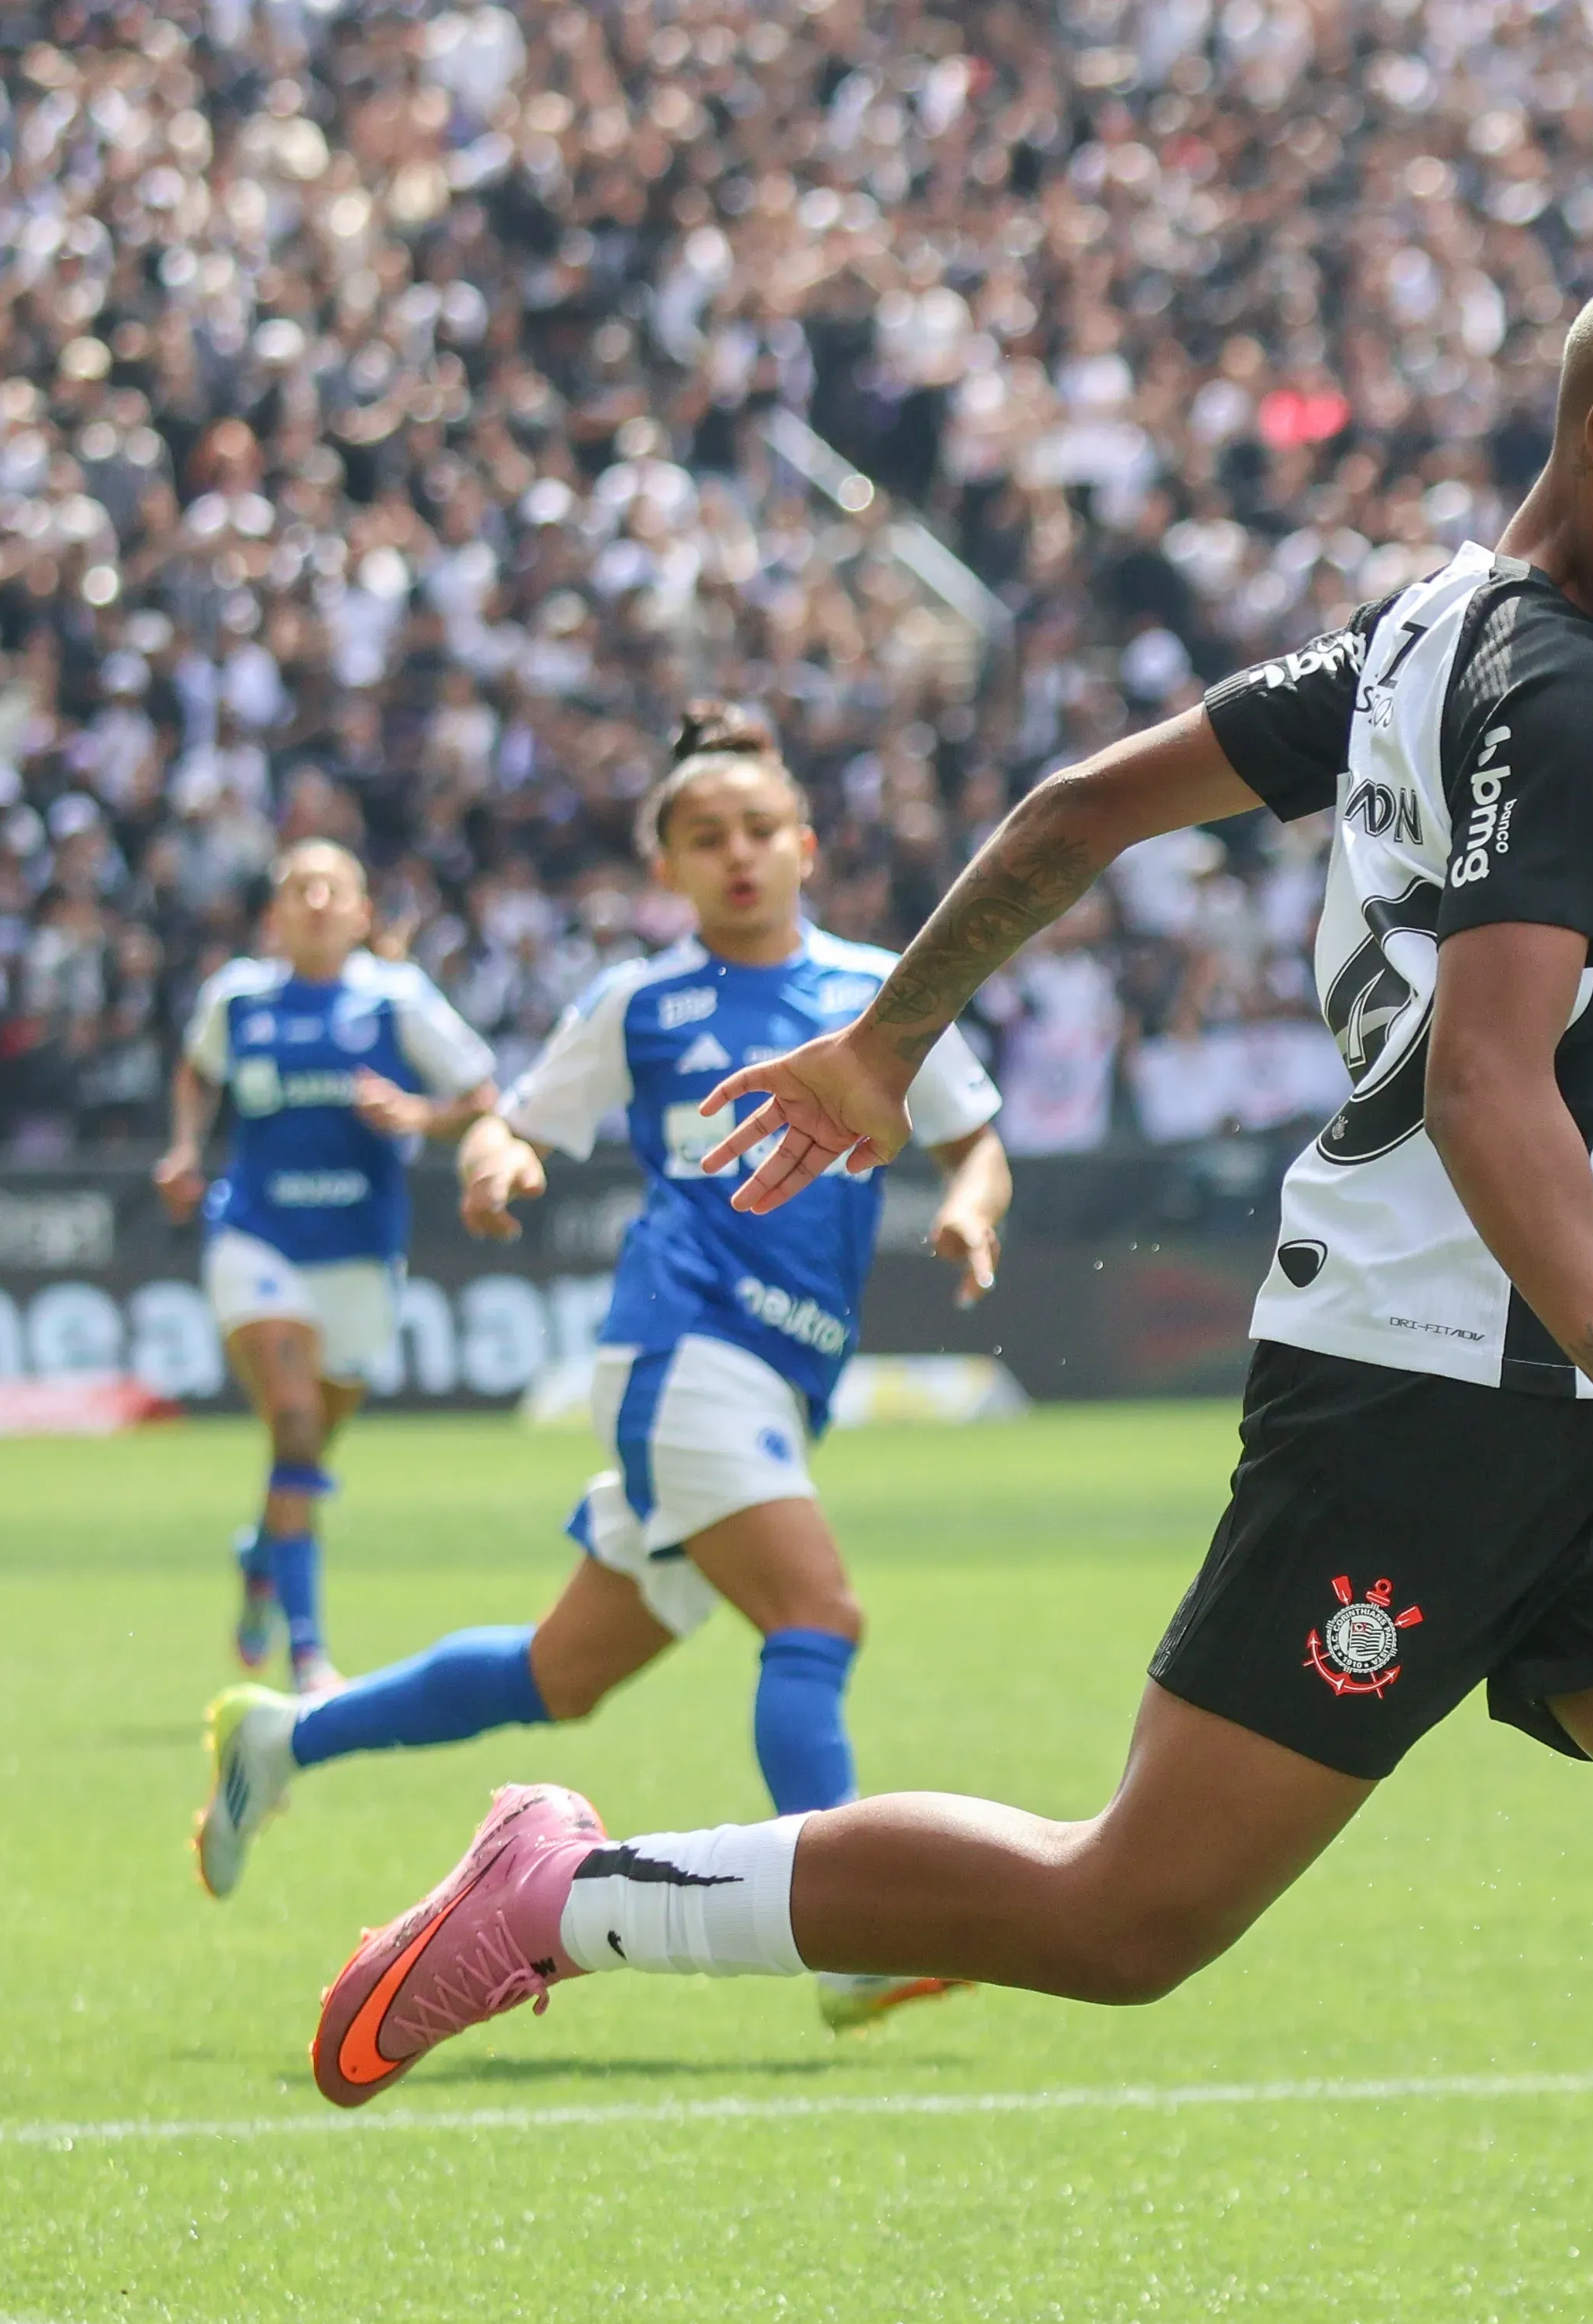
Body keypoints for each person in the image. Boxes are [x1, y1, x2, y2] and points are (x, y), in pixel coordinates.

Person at [297, 263, 1593, 2324]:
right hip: (1449, 1387)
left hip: (1592, 1399)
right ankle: (571, 1889)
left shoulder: (1414, 638)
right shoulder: (1584, 693)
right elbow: (1493, 1075)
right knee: (1130, 1911)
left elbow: (1075, 802)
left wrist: (896, 1033)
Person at [195, 705, 1011, 2042]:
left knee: (559, 1674)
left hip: (776, 1375)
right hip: (684, 1349)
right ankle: (854, 1941)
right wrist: (497, 1165)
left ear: (805, 845)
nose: (737, 855)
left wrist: (971, 1204)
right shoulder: (637, 1003)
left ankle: (281, 1737)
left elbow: (976, 1135)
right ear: (668, 871)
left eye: (759, 831)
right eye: (705, 839)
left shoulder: (878, 987)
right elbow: (510, 1124)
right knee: (818, 1616)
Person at [157, 842, 497, 1693]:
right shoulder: (237, 999)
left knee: (304, 1450)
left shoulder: (398, 998)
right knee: (297, 1425)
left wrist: (417, 1113)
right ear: (273, 918)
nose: (314, 900)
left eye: (332, 888)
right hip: (257, 1240)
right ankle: (308, 1655)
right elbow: (197, 1073)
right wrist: (186, 1148)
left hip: (360, 1253)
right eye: (297, 890)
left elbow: (482, 1097)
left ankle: (264, 1556)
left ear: (359, 913)